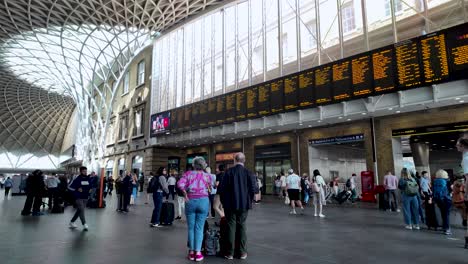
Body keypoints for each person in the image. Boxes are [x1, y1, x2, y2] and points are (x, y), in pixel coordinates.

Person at [218, 153, 257, 260]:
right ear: (244, 160)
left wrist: (223, 202)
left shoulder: (228, 172)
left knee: (231, 226)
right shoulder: (249, 173)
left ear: (235, 160)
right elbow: (254, 189)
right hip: (244, 204)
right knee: (242, 225)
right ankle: (242, 252)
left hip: (230, 204)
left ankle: (230, 253)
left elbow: (221, 189)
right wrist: (249, 199)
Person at [177, 157, 212, 261]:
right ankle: (198, 252)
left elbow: (180, 184)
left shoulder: (188, 174)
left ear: (194, 165)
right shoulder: (207, 176)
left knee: (191, 228)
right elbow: (210, 188)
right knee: (199, 228)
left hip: (190, 201)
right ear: (203, 165)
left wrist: (185, 194)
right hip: (203, 201)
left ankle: (191, 252)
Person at [68, 166, 92, 231]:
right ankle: (84, 224)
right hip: (78, 197)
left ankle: (72, 222)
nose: (85, 172)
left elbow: (90, 186)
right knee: (81, 209)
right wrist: (77, 189)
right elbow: (69, 187)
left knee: (79, 210)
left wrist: (90, 189)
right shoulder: (77, 178)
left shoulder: (88, 178)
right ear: (81, 171)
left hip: (86, 197)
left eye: (86, 171)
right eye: (84, 171)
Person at [455, 137, 468, 248]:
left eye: (458, 145)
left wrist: (466, 194)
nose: (456, 146)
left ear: (463, 146)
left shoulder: (466, 159)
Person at [432, 169, 452, 235]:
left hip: (438, 199)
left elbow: (433, 190)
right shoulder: (447, 181)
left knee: (443, 213)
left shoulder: (435, 181)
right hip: (446, 199)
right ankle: (447, 228)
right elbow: (450, 190)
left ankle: (444, 227)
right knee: (446, 214)